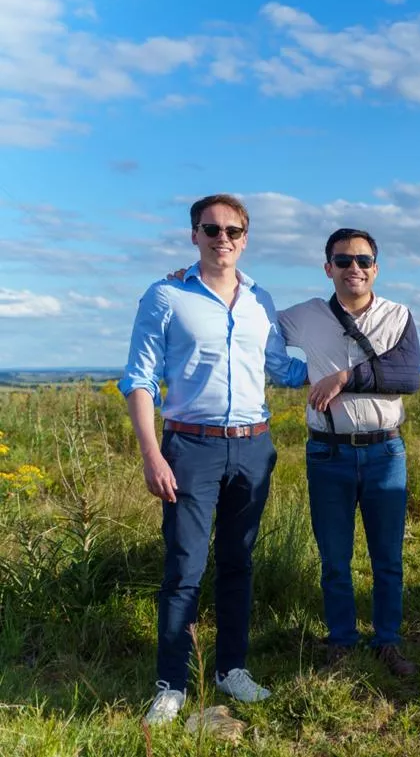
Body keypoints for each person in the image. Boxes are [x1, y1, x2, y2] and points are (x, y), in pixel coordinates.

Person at [121, 194, 308, 725]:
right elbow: (139, 379)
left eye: (232, 230)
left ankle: (231, 669)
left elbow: (281, 368)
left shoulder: (260, 299)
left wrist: (340, 368)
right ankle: (172, 684)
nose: (222, 238)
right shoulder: (165, 295)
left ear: (245, 238)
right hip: (189, 447)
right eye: (211, 229)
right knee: (184, 567)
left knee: (238, 562)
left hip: (253, 446)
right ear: (194, 235)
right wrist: (152, 454)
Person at [277, 228, 420, 677]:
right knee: (334, 560)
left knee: (388, 559)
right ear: (328, 268)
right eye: (343, 260)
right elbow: (248, 324)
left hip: (385, 453)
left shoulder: (397, 315)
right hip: (328, 453)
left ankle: (388, 641)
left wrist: (341, 378)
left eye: (363, 260)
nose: (353, 268)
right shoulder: (306, 316)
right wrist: (197, 280)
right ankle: (341, 642)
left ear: (376, 268)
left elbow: (407, 376)